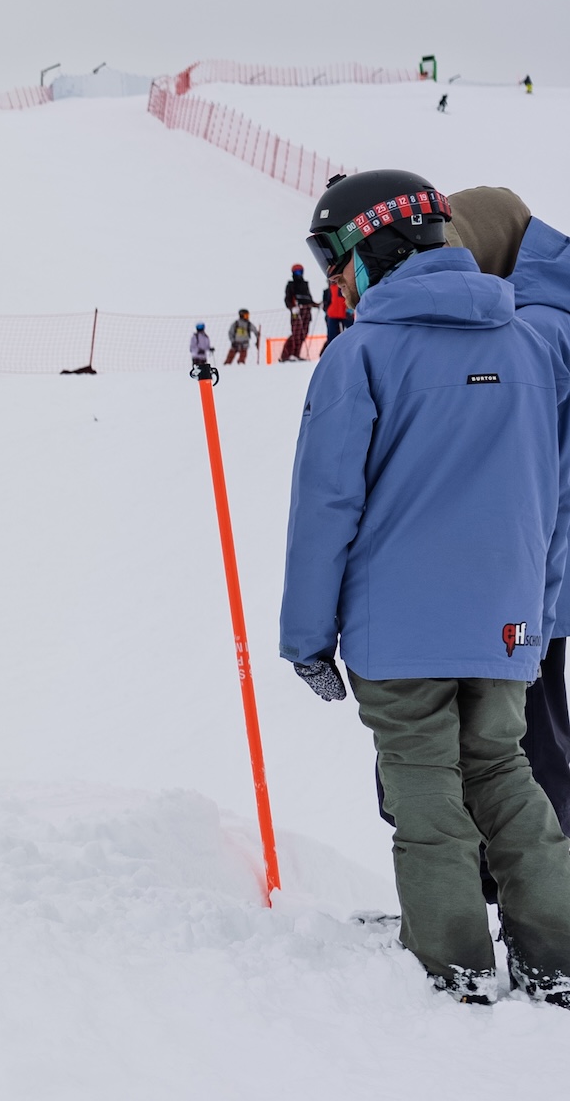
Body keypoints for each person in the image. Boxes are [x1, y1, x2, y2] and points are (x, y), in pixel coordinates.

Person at [281, 169, 570, 1006]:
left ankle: (454, 963)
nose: (336, 284)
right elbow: (545, 500)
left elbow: (326, 508)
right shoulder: (528, 344)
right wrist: (537, 619)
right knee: (504, 774)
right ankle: (555, 954)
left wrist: (307, 639)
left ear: (379, 247)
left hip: (399, 631)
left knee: (424, 786)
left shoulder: (361, 355)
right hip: (505, 627)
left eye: (337, 261)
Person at [446, 186, 570, 837]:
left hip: (523, 580)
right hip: (535, 574)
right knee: (527, 744)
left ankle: (532, 893)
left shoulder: (536, 328)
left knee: (523, 755)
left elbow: (505, 457)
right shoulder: (542, 311)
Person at [282, 264, 315, 360]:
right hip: (296, 312)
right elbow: (287, 299)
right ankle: (288, 355)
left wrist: (316, 305)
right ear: (293, 273)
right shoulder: (291, 285)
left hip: (306, 312)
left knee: (303, 334)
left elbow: (308, 299)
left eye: (300, 272)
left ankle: (296, 355)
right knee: (296, 334)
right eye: (296, 272)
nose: (298, 274)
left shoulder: (305, 284)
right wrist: (292, 308)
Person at [322, 276, 352, 340]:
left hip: (343, 314)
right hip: (336, 314)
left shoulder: (335, 288)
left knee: (351, 332)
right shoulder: (331, 289)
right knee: (333, 335)